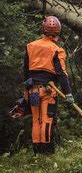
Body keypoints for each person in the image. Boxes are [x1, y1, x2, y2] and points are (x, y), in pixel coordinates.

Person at [23, 16, 74, 155]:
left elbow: (26, 71)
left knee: (36, 120)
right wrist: (68, 93)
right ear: (58, 31)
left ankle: (37, 152)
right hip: (48, 91)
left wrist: (26, 91)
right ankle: (46, 153)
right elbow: (61, 74)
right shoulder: (57, 50)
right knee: (46, 120)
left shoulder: (30, 46)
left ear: (43, 29)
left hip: (33, 89)